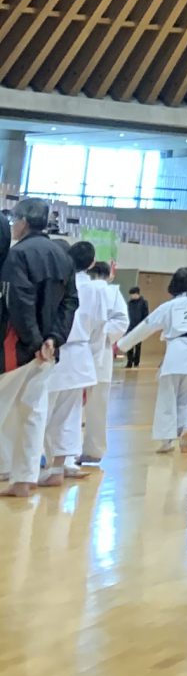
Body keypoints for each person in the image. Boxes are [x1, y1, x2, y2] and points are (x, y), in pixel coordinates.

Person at [0, 197, 76, 495]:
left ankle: (17, 473)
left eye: (14, 220)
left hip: (19, 345)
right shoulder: (63, 256)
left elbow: (19, 301)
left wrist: (33, 341)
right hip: (48, 350)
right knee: (33, 412)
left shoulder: (18, 254)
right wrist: (53, 339)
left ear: (22, 222)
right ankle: (24, 478)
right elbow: (70, 303)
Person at [120, 269, 187, 450]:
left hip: (175, 351)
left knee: (167, 396)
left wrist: (122, 345)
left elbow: (146, 326)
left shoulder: (169, 306)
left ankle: (166, 440)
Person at [43, 239, 102, 478]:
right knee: (70, 414)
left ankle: (37, 464)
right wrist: (94, 355)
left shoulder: (54, 282)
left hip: (54, 351)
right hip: (80, 353)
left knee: (42, 412)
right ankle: (61, 464)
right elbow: (100, 326)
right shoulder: (94, 289)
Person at [75, 257, 129, 467]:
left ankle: (90, 450)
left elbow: (121, 321)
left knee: (92, 404)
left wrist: (100, 332)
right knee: (84, 404)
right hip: (81, 348)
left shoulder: (112, 293)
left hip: (97, 351)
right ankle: (75, 450)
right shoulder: (82, 288)